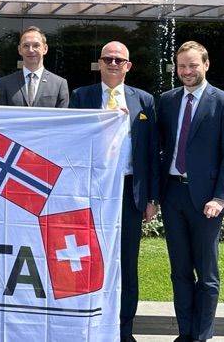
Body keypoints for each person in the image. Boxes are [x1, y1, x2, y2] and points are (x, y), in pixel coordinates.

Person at [69, 41, 159, 342]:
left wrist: (151, 198)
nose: (112, 63)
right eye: (107, 59)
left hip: (128, 193)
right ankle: (88, 324)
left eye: (118, 60)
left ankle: (124, 330)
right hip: (91, 194)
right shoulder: (81, 97)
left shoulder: (143, 101)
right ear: (99, 63)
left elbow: (150, 152)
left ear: (128, 66)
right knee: (88, 260)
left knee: (126, 264)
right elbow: (71, 144)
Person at [157, 41, 224, 342]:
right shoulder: (167, 101)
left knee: (207, 274)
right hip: (173, 196)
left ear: (206, 64)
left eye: (193, 65)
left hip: (207, 201)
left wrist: (220, 197)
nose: (187, 71)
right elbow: (160, 148)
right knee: (179, 272)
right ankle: (185, 334)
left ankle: (202, 336)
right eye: (182, 66)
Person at [0, 26, 69, 108]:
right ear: (19, 50)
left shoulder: (59, 84)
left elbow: (62, 119)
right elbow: (0, 116)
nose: (30, 50)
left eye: (36, 45)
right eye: (26, 46)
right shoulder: (5, 83)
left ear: (45, 49)